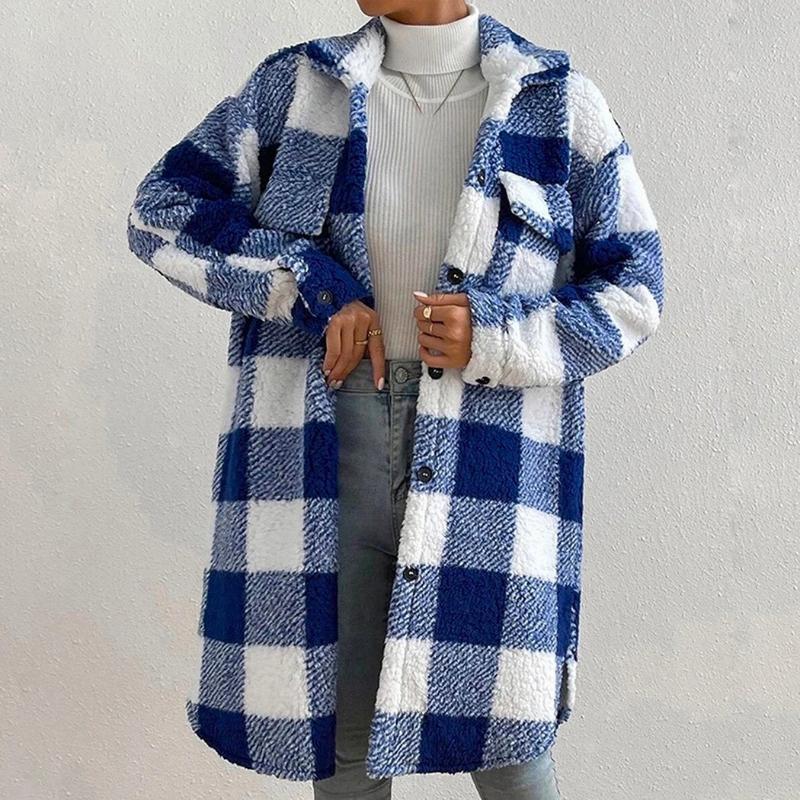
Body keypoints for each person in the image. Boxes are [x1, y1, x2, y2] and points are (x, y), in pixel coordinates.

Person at [126, 1, 664, 798]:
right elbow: (161, 213)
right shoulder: (297, 88)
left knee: (509, 751)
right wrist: (309, 283)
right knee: (341, 748)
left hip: (489, 461)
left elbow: (635, 292)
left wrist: (495, 335)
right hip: (324, 444)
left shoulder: (557, 104)